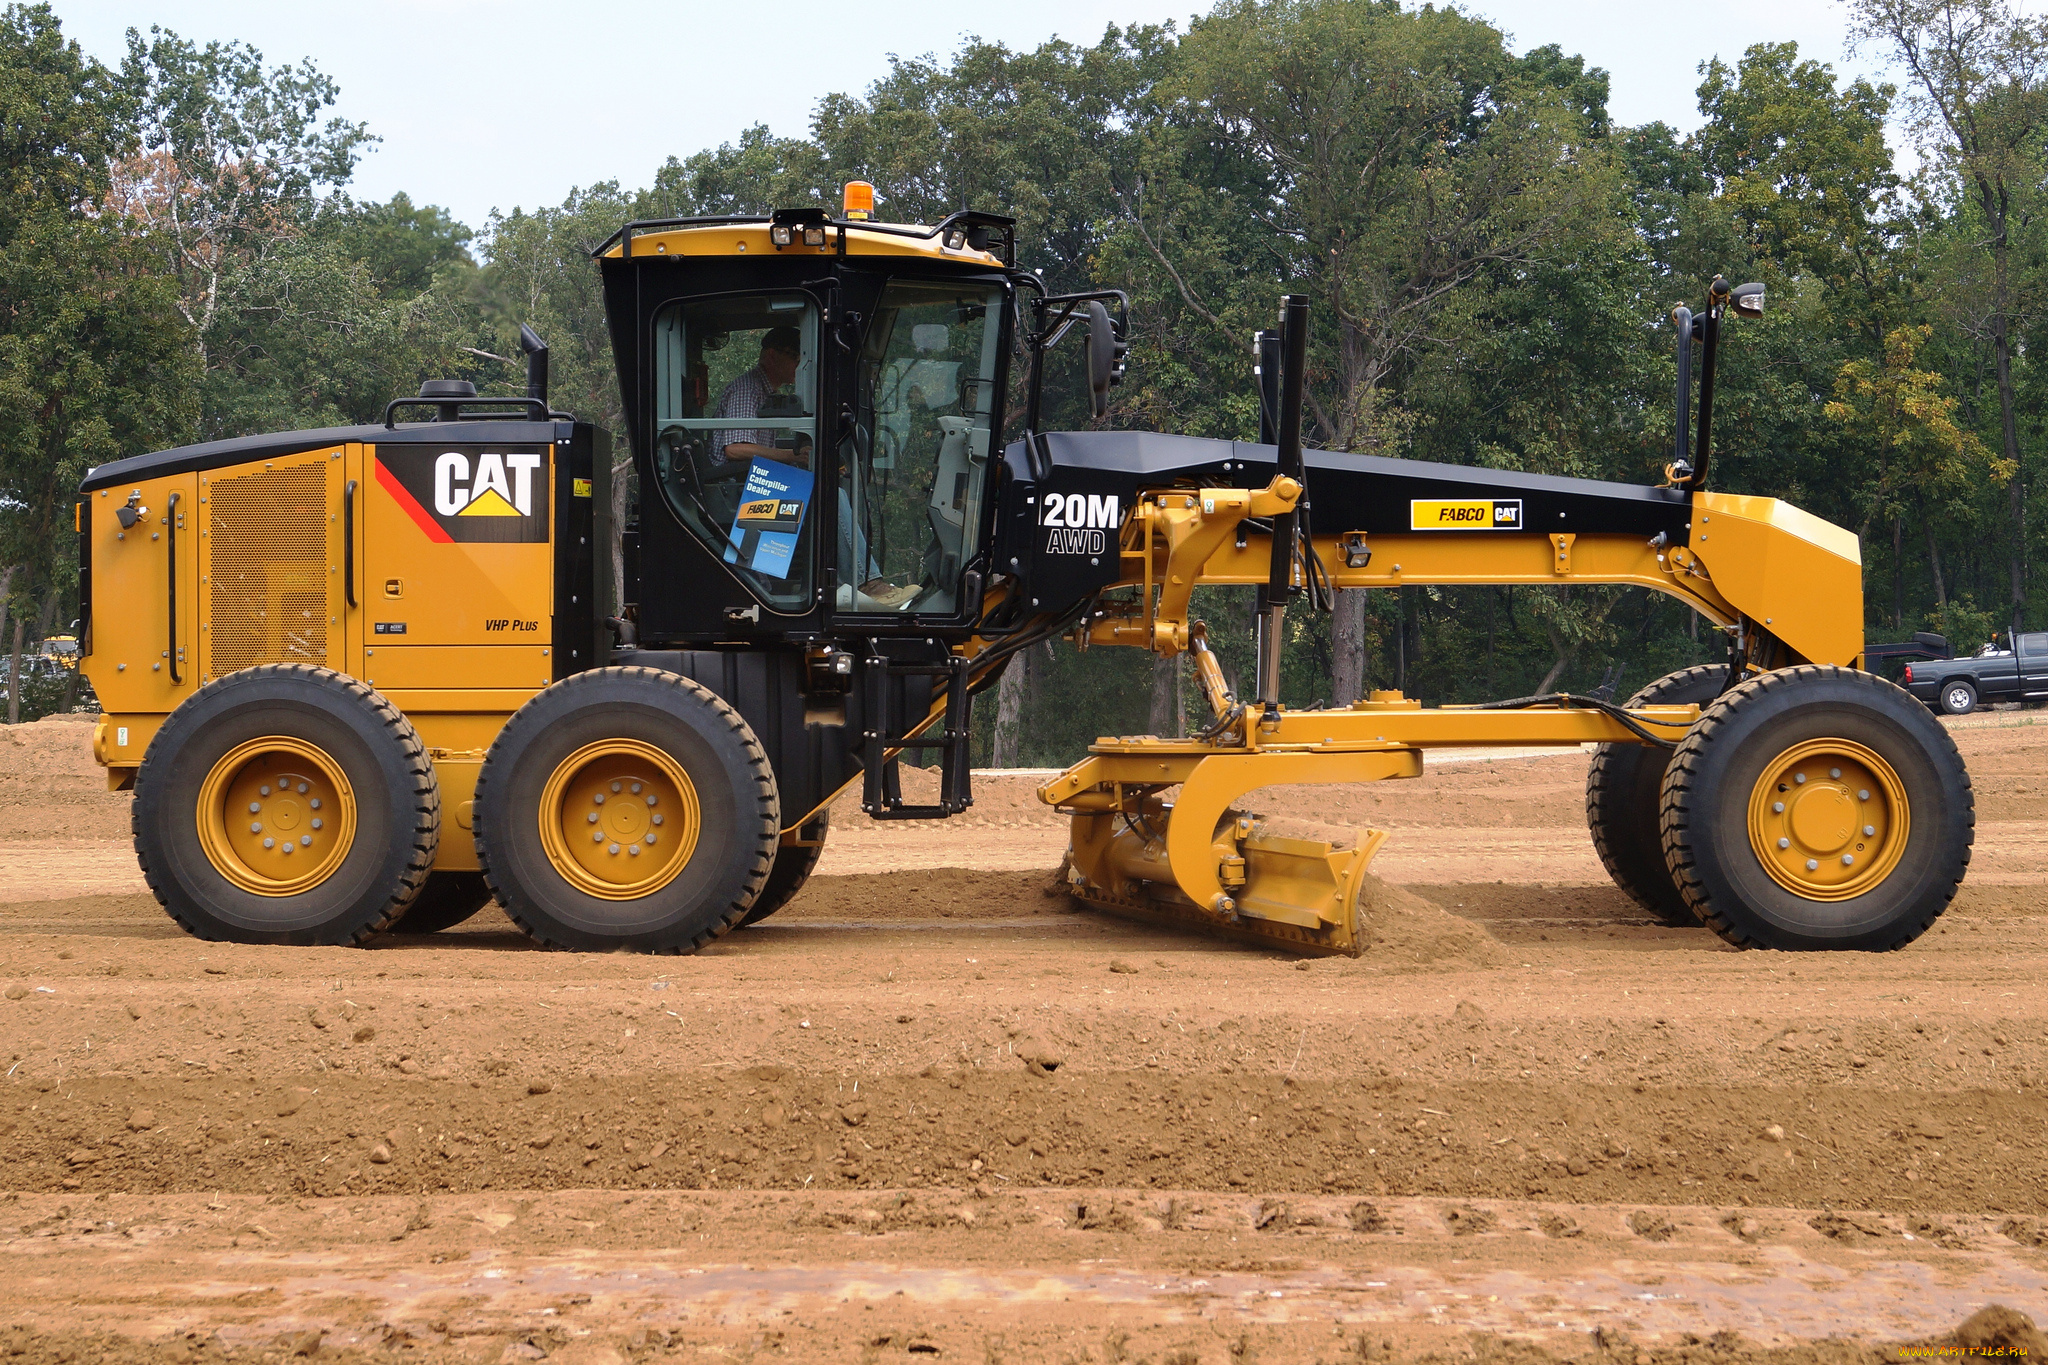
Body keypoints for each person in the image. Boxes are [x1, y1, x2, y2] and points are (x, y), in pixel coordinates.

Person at [711, 327, 809, 467]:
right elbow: (736, 449)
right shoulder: (748, 389)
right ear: (772, 356)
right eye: (795, 357)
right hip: (734, 477)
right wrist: (793, 456)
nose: (799, 365)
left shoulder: (767, 393)